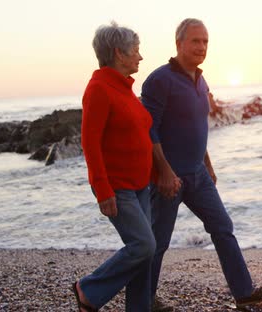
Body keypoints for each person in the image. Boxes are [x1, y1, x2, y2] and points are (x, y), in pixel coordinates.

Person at [141, 18, 262, 311]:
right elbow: (148, 129)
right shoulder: (159, 80)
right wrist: (164, 171)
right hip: (169, 176)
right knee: (158, 242)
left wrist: (208, 164)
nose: (202, 47)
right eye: (195, 41)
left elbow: (198, 127)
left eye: (205, 41)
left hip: (198, 173)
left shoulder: (201, 80)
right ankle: (144, 299)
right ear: (179, 44)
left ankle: (243, 293)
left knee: (222, 227)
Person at [72, 22, 156, 312]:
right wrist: (102, 188)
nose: (140, 57)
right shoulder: (98, 89)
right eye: (136, 51)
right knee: (143, 246)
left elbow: (139, 135)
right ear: (120, 54)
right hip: (118, 187)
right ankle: (89, 289)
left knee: (145, 254)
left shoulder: (125, 90)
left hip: (141, 186)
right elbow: (90, 143)